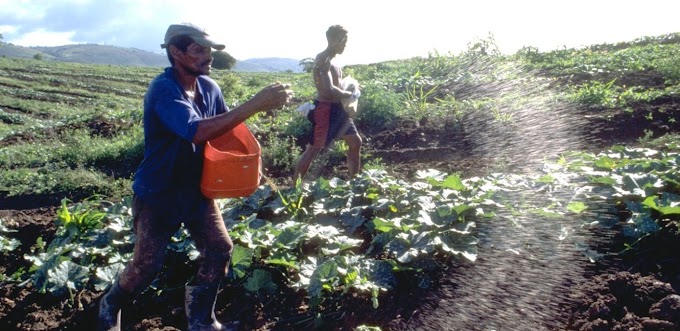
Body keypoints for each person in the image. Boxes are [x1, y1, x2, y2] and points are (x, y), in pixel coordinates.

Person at [97, 22, 292, 331]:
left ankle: (202, 321)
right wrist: (254, 103)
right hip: (159, 192)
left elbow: (226, 128)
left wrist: (260, 123)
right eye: (199, 50)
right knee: (147, 266)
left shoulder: (210, 88)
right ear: (176, 52)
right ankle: (110, 305)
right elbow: (196, 131)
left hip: (198, 189)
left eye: (209, 50)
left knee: (219, 250)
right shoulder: (164, 89)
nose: (208, 57)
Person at [292, 25, 362, 183]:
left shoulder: (335, 61)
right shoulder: (323, 59)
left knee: (355, 142)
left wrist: (352, 88)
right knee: (314, 149)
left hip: (338, 109)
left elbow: (337, 86)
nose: (344, 44)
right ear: (330, 39)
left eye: (346, 41)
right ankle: (295, 190)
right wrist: (350, 94)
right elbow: (329, 90)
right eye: (341, 40)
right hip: (325, 109)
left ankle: (354, 183)